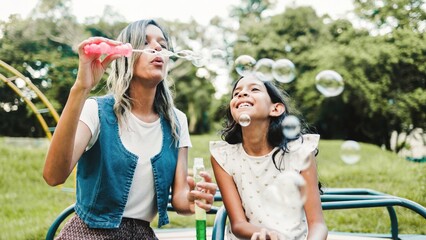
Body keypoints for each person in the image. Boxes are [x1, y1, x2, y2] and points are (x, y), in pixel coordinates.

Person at [43, 19, 216, 239]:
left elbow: (180, 198)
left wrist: (192, 200)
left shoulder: (177, 121)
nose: (157, 48)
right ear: (125, 55)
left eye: (162, 44)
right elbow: (53, 176)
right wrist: (81, 88)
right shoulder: (96, 111)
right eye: (144, 42)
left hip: (143, 234)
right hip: (88, 234)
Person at [210, 74, 328, 240]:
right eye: (236, 93)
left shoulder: (300, 151)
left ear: (276, 109)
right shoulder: (224, 157)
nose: (242, 94)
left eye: (254, 89)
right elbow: (238, 225)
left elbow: (318, 225)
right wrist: (265, 235)